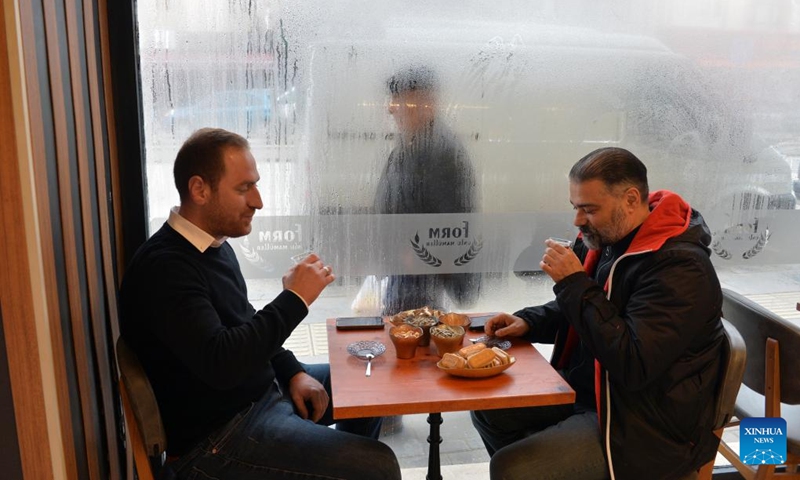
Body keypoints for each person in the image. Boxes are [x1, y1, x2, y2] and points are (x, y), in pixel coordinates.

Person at [119, 128, 401, 480]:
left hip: (260, 395)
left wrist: (292, 371)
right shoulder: (166, 268)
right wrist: (295, 299)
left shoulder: (211, 245)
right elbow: (222, 362)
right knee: (378, 466)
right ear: (199, 190)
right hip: (217, 438)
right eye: (243, 188)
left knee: (365, 387)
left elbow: (244, 322)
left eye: (255, 184)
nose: (258, 201)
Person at [470, 147, 724, 480]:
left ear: (631, 200)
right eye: (575, 207)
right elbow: (585, 311)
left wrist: (573, 282)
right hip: (592, 391)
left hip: (641, 422)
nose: (577, 221)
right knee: (490, 411)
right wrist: (529, 321)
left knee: (514, 468)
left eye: (589, 209)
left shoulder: (680, 268)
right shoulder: (609, 239)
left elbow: (633, 363)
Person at [374, 64, 481, 314]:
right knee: (405, 331)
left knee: (413, 333)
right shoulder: (415, 140)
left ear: (424, 102)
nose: (391, 108)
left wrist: (420, 257)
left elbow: (452, 217)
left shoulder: (439, 150)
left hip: (418, 269)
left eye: (398, 99)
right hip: (407, 265)